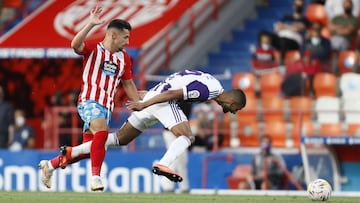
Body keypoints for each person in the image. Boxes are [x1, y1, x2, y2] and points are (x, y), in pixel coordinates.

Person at [39, 69, 246, 189]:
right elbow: (173, 93)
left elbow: (177, 78)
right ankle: (163, 164)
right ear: (232, 99)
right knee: (187, 137)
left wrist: (150, 94)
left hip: (153, 97)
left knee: (119, 139)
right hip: (158, 102)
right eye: (234, 108)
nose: (232, 112)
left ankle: (55, 162)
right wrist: (146, 103)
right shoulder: (208, 90)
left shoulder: (212, 83)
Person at [38, 6, 141, 191]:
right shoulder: (94, 49)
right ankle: (95, 178)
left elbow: (128, 84)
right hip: (89, 101)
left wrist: (141, 105)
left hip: (107, 106)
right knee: (101, 132)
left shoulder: (124, 58)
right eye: (125, 37)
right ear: (113, 35)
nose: (128, 41)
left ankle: (50, 165)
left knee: (88, 150)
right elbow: (75, 45)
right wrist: (90, 24)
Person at [161, 102, 192, 193]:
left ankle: (184, 187)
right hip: (170, 131)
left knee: (182, 160)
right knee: (172, 158)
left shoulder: (187, 97)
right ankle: (168, 187)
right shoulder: (172, 96)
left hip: (183, 132)